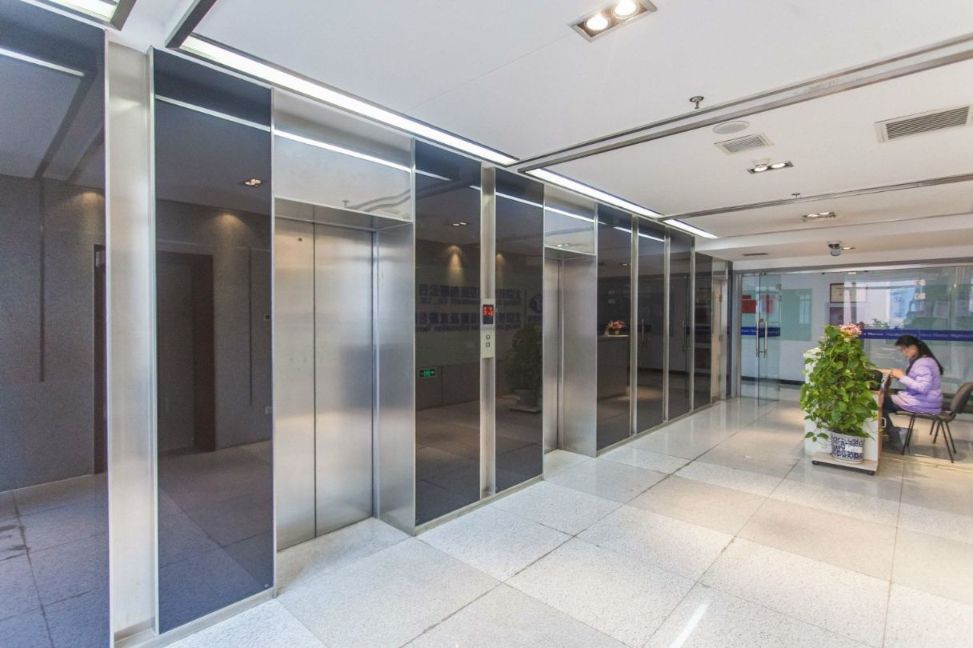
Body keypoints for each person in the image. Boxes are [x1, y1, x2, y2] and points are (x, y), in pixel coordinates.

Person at [881, 335, 944, 450]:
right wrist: (902, 376)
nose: (904, 353)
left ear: (913, 347)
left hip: (922, 402)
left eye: (904, 349)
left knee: (879, 402)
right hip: (926, 400)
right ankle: (892, 434)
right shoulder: (924, 359)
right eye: (901, 350)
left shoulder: (922, 363)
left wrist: (902, 377)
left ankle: (895, 437)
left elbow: (923, 387)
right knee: (883, 401)